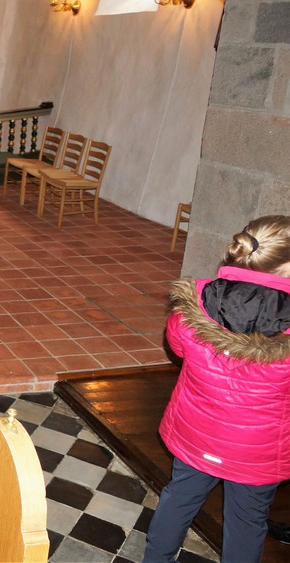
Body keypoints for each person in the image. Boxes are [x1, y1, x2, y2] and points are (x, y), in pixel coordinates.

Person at [143, 215, 290, 563]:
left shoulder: (192, 306)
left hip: (196, 433)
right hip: (258, 451)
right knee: (246, 522)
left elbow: (179, 349)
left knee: (178, 499)